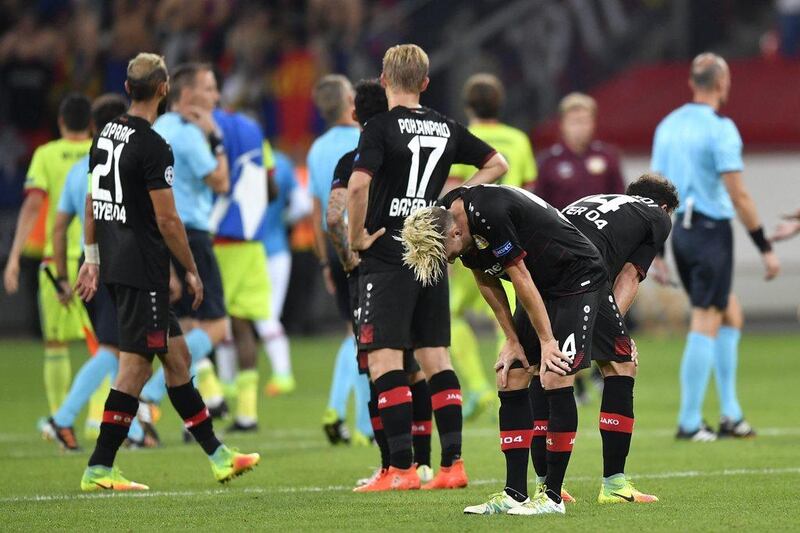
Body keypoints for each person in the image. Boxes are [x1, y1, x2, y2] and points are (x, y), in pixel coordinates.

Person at [74, 53, 258, 491]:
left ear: (126, 88)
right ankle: (100, 466)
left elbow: (91, 201)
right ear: (164, 90)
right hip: (143, 269)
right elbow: (169, 220)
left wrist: (92, 257)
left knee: (178, 359)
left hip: (119, 264)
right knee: (135, 370)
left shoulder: (105, 135)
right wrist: (191, 271)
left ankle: (219, 455)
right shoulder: (154, 146)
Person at [347, 44, 509, 491]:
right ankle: (452, 466)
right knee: (436, 356)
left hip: (388, 252)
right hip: (432, 250)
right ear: (425, 82)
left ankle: (400, 469)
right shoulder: (445, 126)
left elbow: (359, 185)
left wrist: (357, 236)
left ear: (384, 79)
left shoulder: (379, 126)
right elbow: (498, 163)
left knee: (384, 359)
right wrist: (450, 202)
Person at [400, 184, 606, 515]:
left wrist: (547, 341)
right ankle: (514, 493)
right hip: (540, 284)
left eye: (446, 252)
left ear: (455, 231)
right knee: (510, 376)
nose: (449, 260)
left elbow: (519, 276)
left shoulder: (488, 213)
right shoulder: (449, 220)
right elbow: (487, 280)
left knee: (554, 375)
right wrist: (511, 340)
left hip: (574, 276)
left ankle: (552, 497)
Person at [651, 53, 781, 441]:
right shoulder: (721, 128)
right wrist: (765, 245)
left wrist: (657, 250)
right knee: (706, 317)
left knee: (730, 313)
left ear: (693, 83)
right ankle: (690, 422)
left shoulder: (668, 125)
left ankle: (730, 414)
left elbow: (653, 189)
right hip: (710, 231)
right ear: (722, 83)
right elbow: (738, 194)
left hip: (681, 234)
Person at [325, 79, 434, 490]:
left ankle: (392, 466)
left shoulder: (354, 158)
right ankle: (424, 463)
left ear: (355, 114)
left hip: (375, 268)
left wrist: (348, 257)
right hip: (418, 259)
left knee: (378, 365)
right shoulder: (408, 152)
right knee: (415, 365)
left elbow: (335, 217)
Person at [559, 174, 677, 503]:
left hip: (540, 267)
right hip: (582, 273)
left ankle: (546, 485)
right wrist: (617, 329)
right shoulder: (656, 216)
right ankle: (614, 485)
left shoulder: (595, 202)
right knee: (621, 366)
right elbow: (629, 275)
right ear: (665, 207)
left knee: (548, 368)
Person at [43, 94, 151, 451]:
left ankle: (132, 428)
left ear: (93, 125)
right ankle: (63, 420)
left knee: (123, 349)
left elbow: (59, 228)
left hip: (87, 262)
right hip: (112, 264)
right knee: (114, 348)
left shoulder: (81, 170)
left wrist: (62, 275)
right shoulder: (122, 163)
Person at [142, 62, 231, 429]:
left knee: (185, 328)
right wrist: (215, 136)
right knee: (216, 328)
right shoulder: (191, 134)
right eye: (209, 88)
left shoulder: (158, 128)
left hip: (159, 234)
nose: (216, 96)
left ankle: (194, 412)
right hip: (190, 234)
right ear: (188, 94)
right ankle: (147, 395)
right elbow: (221, 182)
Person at [446, 73, 538, 420]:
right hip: (510, 243)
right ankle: (526, 382)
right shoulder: (518, 139)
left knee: (451, 316)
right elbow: (530, 191)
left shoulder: (464, 138)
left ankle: (477, 386)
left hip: (470, 246)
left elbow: (455, 192)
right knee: (517, 317)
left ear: (468, 105)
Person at [3, 93, 93, 419]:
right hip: (97, 259)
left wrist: (14, 257)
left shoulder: (46, 154)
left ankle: (59, 419)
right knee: (105, 344)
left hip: (56, 263)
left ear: (61, 122)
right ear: (91, 125)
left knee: (55, 344)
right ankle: (99, 421)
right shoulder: (103, 152)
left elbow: (32, 205)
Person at [535, 92, 626, 405]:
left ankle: (599, 372)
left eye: (585, 120)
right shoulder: (548, 163)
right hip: (563, 257)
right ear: (563, 124)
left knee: (604, 316)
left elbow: (621, 205)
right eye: (574, 121)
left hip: (603, 255)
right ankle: (575, 377)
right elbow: (539, 211)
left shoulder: (608, 158)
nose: (580, 127)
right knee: (565, 319)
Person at [307, 74, 371, 444]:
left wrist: (323, 262)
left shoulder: (316, 150)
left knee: (354, 331)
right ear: (350, 100)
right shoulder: (365, 140)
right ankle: (364, 425)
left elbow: (318, 210)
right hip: (364, 242)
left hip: (334, 248)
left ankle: (335, 407)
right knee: (369, 337)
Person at [208, 106, 272, 432]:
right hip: (251, 241)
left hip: (215, 240)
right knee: (244, 327)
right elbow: (270, 186)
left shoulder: (198, 128)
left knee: (198, 323)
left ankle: (210, 398)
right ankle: (247, 414)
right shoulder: (252, 130)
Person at [259, 144, 312, 396]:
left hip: (235, 247)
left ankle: (228, 382)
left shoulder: (228, 156)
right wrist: (281, 222)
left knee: (227, 321)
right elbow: (302, 206)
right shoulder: (281, 161)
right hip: (277, 248)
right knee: (269, 314)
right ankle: (282, 373)